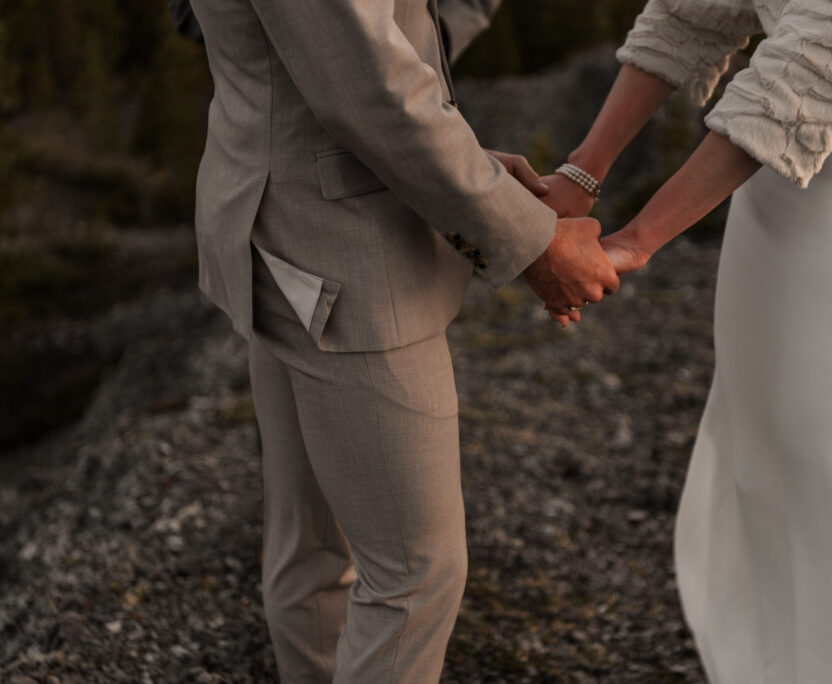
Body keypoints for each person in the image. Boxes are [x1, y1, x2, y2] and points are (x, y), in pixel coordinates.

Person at [540, 0, 832, 681]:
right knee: (766, 457)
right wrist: (580, 173)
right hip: (769, 201)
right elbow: (691, 13)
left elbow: (816, 57)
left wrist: (637, 238)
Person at [186, 0, 619, 682]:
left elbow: (343, 44)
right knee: (414, 579)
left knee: (314, 551)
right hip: (339, 249)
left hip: (279, 216)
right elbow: (367, 86)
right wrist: (531, 242)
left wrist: (457, 163)